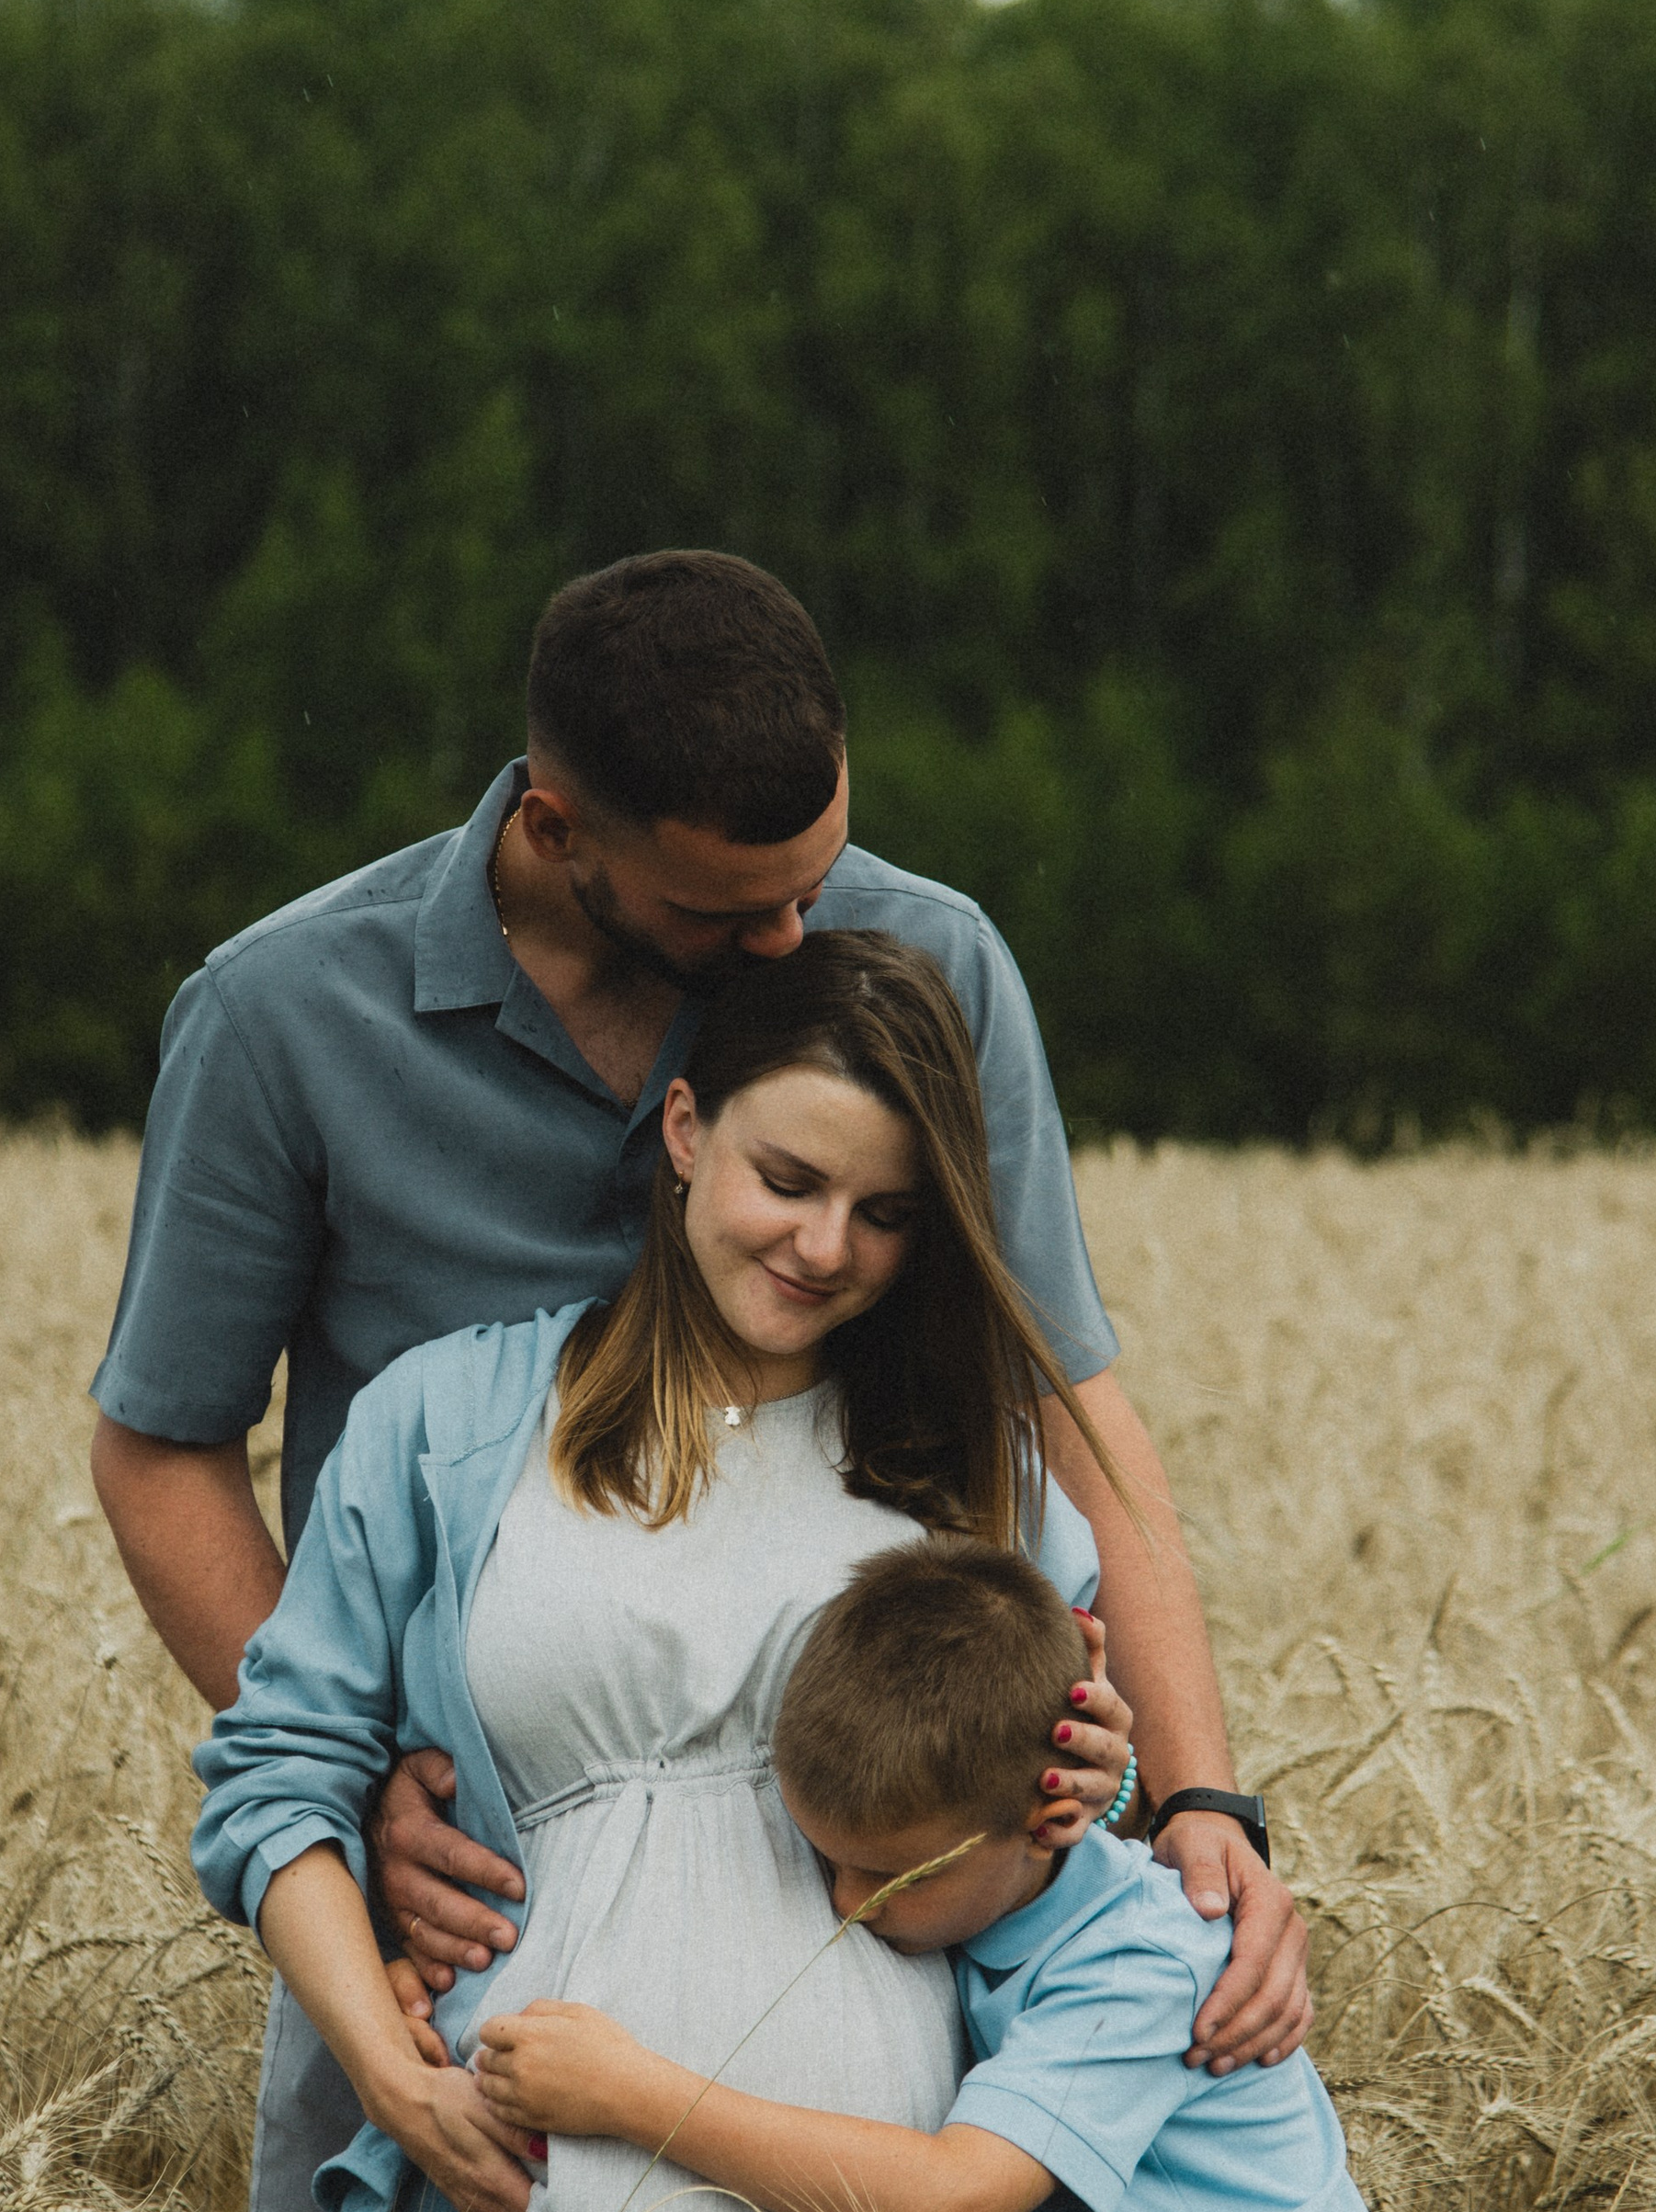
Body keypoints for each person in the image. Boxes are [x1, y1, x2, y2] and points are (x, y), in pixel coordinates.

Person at [90, 550, 1307, 2210]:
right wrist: (372, 1784)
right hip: (472, 1906)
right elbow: (163, 1451)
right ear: (557, 824)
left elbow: (1062, 1413)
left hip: (871, 1955)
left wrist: (1189, 1792)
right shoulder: (285, 1016)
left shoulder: (922, 957)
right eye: (732, 914)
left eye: (814, 877)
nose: (798, 934)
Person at [192, 933, 1140, 2212]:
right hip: (513, 2170)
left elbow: (1051, 1850)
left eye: (884, 1214)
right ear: (686, 1131)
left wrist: (1094, 1778)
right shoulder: (448, 1423)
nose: (822, 1245)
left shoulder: (983, 1481)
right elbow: (280, 1781)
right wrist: (392, 2081)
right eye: (789, 1180)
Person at [475, 1537, 1367, 2212]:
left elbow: (957, 2193)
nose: (843, 1902)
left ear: (1051, 1819)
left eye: (888, 1875)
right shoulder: (993, 1885)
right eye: (828, 1859)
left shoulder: (1141, 1965)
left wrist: (631, 2094)